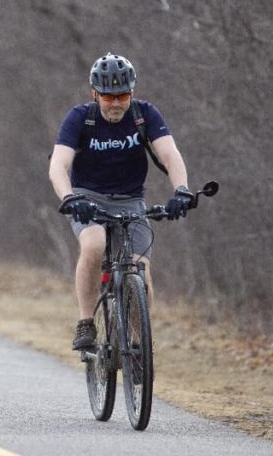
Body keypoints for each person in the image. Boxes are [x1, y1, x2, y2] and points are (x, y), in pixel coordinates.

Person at [48, 53, 192, 350]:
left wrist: (182, 191)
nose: (115, 103)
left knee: (140, 268)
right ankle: (86, 322)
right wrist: (70, 197)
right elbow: (58, 166)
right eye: (108, 97)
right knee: (94, 245)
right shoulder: (80, 118)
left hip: (130, 200)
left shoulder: (145, 114)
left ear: (132, 92)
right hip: (88, 198)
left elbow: (170, 154)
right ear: (95, 94)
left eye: (122, 95)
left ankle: (140, 345)